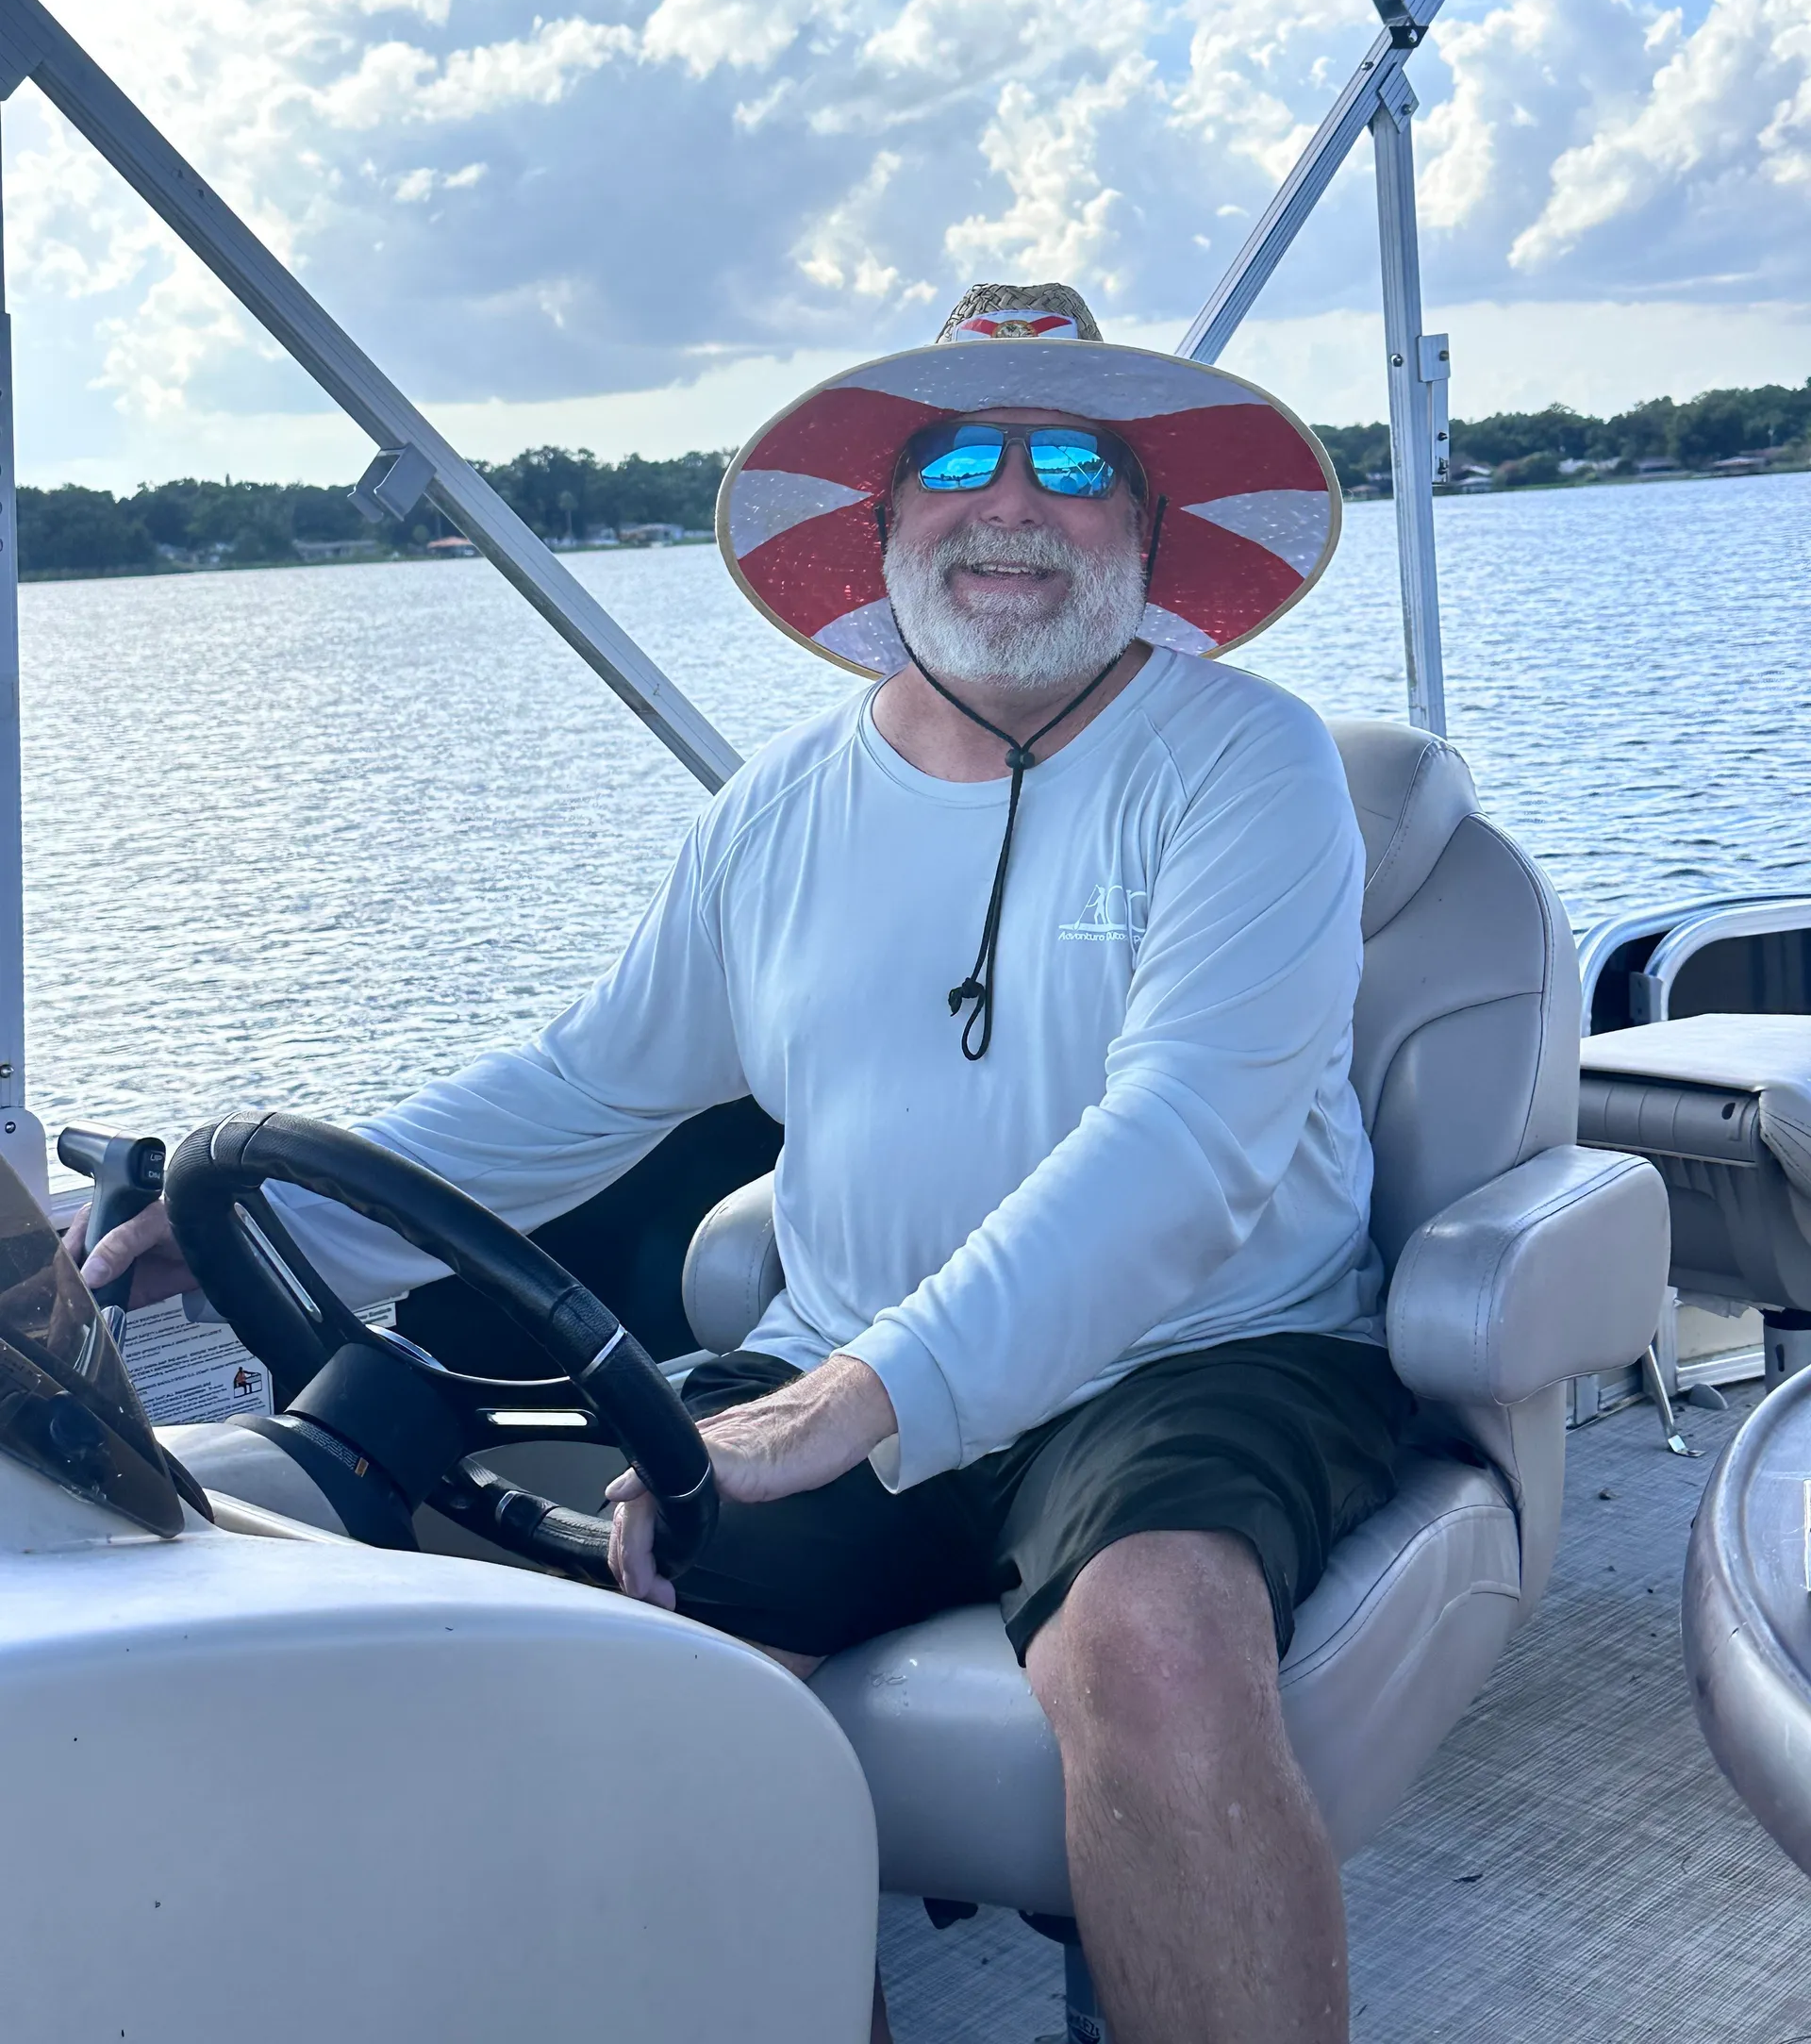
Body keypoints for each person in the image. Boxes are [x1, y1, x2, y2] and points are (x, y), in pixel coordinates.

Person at [72, 283, 1406, 2044]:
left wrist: (848, 1400)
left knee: (1152, 1642)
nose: (1014, 501)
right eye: (959, 461)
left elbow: (1192, 1147)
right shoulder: (773, 817)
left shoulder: (1246, 765)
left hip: (1193, 1358)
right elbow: (587, 1085)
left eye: (1076, 461)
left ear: (1149, 530)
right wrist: (245, 1211)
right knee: (625, 1684)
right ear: (883, 525)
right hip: (844, 1350)